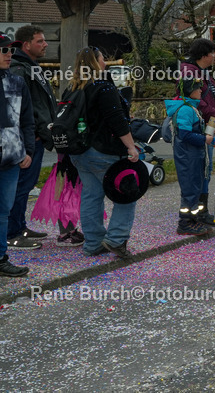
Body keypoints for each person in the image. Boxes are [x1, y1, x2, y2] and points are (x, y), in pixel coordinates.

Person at [69, 47, 140, 258]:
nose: (105, 63)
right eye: (102, 59)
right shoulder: (104, 88)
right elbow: (117, 121)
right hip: (104, 151)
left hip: (79, 152)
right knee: (126, 194)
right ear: (96, 62)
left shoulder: (73, 88)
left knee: (91, 196)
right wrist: (130, 146)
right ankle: (116, 240)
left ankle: (92, 244)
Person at [8, 26, 57, 248]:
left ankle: (20, 227)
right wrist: (30, 139)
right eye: (40, 41)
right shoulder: (19, 69)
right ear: (26, 44)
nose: (45, 44)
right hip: (27, 140)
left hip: (34, 137)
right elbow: (17, 110)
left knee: (25, 187)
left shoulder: (29, 66)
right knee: (18, 187)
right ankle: (11, 233)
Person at [179, 38, 215, 227]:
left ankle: (202, 211)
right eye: (213, 53)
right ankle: (193, 215)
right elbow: (196, 99)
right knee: (199, 171)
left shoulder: (202, 71)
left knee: (205, 170)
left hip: (208, 123)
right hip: (200, 125)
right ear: (204, 55)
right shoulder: (190, 72)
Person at [0, 34, 34, 276]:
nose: (9, 55)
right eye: (4, 51)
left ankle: (1, 258)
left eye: (10, 51)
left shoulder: (17, 82)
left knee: (3, 211)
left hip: (11, 160)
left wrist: (28, 150)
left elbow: (27, 121)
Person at [166, 78, 214, 236]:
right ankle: (184, 222)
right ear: (189, 91)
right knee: (190, 188)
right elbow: (185, 134)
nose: (201, 91)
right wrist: (204, 139)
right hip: (188, 156)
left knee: (195, 186)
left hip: (193, 155)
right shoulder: (186, 110)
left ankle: (193, 219)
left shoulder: (191, 107)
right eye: (197, 88)